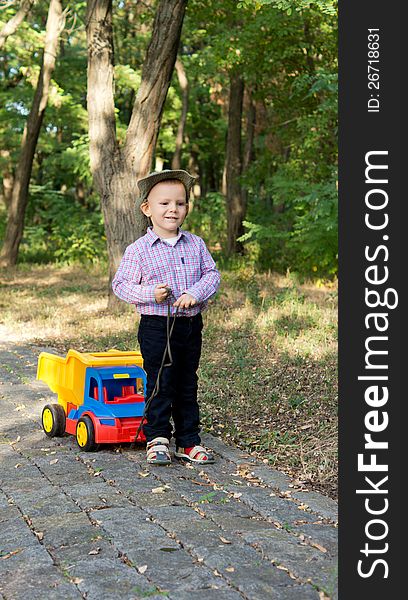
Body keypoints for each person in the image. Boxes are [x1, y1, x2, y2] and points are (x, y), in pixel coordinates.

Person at [112, 169, 221, 465]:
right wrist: (150, 294)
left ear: (186, 207)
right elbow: (120, 285)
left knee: (187, 381)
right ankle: (157, 437)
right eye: (164, 203)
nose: (173, 209)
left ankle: (188, 441)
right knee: (161, 381)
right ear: (147, 209)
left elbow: (212, 275)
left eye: (180, 203)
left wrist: (195, 293)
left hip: (188, 325)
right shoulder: (138, 250)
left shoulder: (195, 244)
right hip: (156, 326)